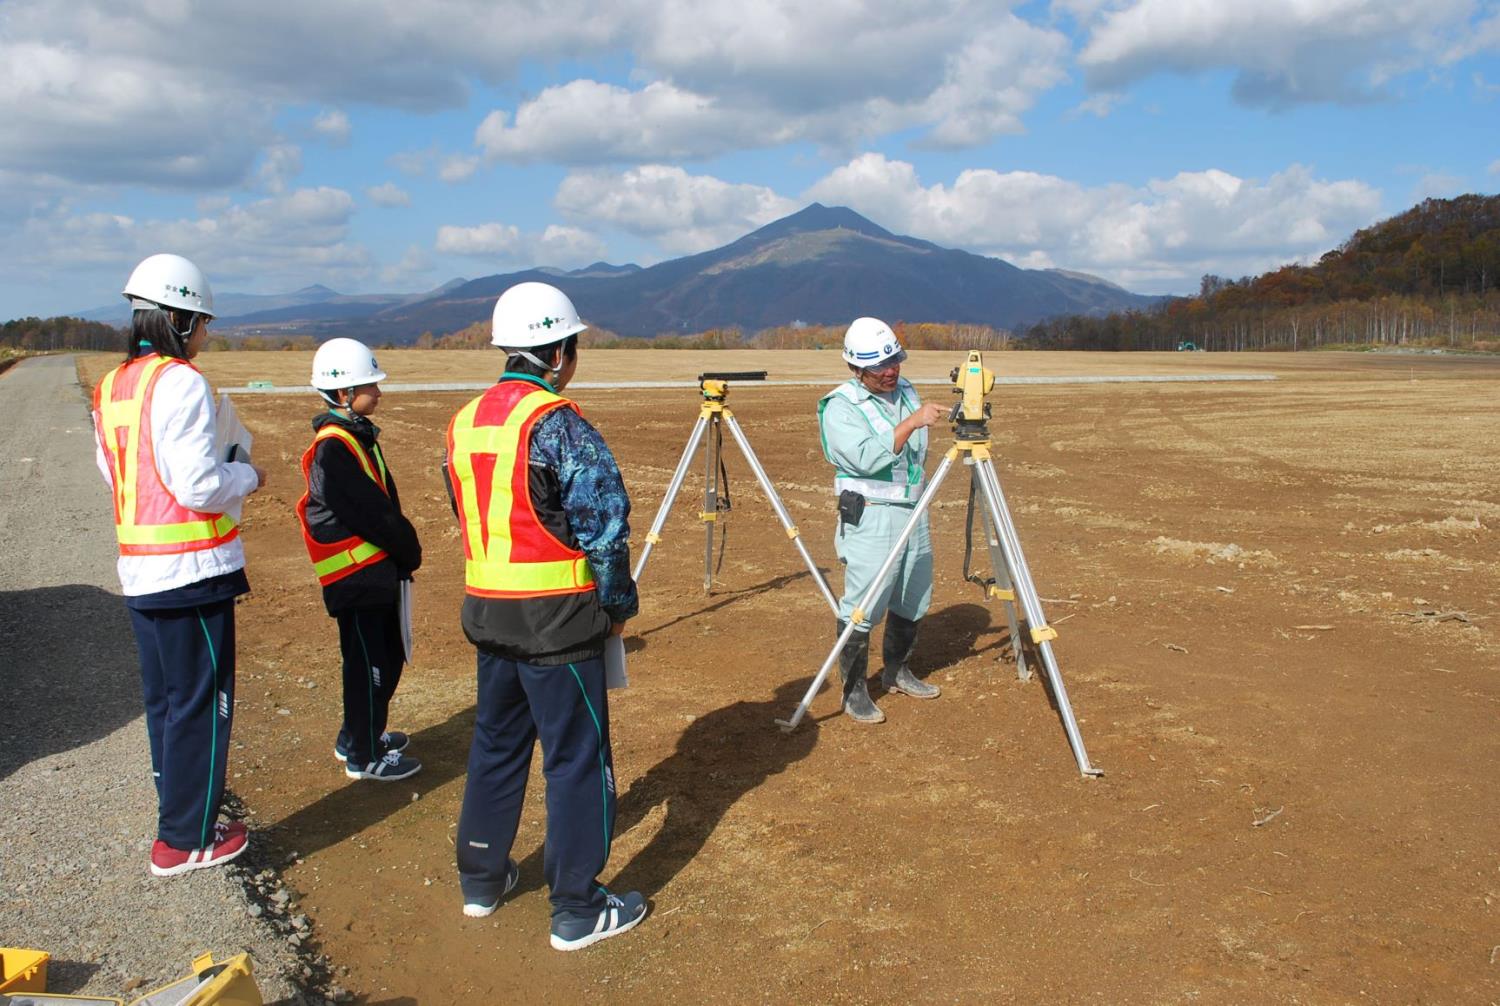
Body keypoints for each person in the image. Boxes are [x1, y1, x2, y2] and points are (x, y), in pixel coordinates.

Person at [446, 281, 646, 951]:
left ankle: (481, 878)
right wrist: (617, 605)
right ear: (559, 352)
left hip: (489, 615)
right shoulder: (557, 423)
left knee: (496, 747)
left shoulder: (466, 420)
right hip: (558, 624)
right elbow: (604, 526)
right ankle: (578, 909)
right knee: (575, 761)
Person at [91, 253, 266, 875]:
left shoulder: (114, 384)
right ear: (178, 317)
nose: (207, 335)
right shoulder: (181, 381)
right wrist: (247, 472)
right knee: (202, 704)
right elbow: (195, 484)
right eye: (202, 322)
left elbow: (115, 472)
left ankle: (180, 814)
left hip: (140, 570)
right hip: (192, 571)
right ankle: (185, 839)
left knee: (167, 702)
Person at [296, 338, 423, 782]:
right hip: (357, 578)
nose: (380, 392)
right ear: (345, 393)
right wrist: (408, 547)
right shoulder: (335, 448)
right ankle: (364, 756)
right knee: (370, 665)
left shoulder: (354, 437)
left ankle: (360, 734)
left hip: (372, 575)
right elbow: (373, 513)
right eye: (372, 384)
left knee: (381, 658)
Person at [817, 317, 948, 724]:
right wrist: (912, 422)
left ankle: (897, 670)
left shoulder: (905, 389)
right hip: (872, 517)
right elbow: (867, 458)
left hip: (913, 511)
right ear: (856, 369)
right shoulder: (840, 406)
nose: (891, 372)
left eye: (895, 362)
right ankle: (854, 690)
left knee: (914, 594)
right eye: (880, 367)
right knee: (864, 604)